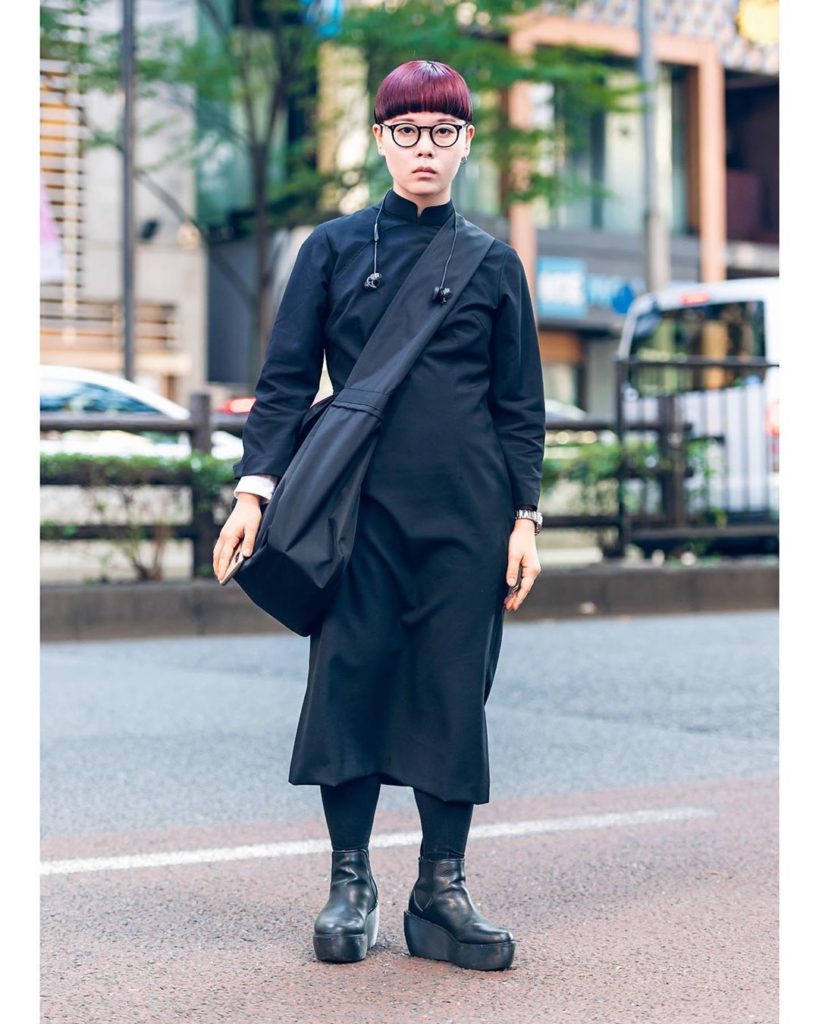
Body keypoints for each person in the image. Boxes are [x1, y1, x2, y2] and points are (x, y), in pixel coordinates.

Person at [213, 59, 546, 972]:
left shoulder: (493, 264)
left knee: (451, 690)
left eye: (441, 132)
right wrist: (253, 493)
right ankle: (349, 883)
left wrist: (523, 518)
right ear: (379, 141)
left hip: (468, 516)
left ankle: (440, 890)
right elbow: (285, 384)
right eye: (406, 131)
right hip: (352, 512)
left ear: (465, 143)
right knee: (348, 680)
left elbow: (518, 406)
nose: (423, 148)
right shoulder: (329, 249)